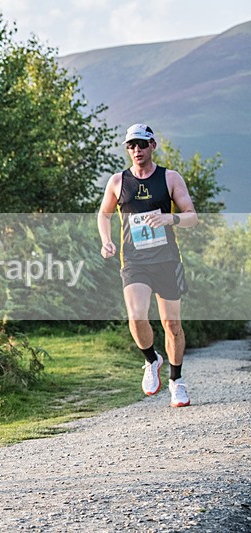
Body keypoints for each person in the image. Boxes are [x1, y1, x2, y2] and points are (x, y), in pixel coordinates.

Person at [98, 123, 198, 408]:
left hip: (167, 260)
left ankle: (176, 382)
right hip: (134, 261)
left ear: (153, 145)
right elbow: (103, 215)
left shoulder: (169, 178)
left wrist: (171, 219)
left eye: (142, 144)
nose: (137, 150)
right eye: (131, 145)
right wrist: (106, 241)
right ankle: (151, 360)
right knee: (137, 316)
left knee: (172, 325)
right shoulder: (118, 181)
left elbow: (192, 216)